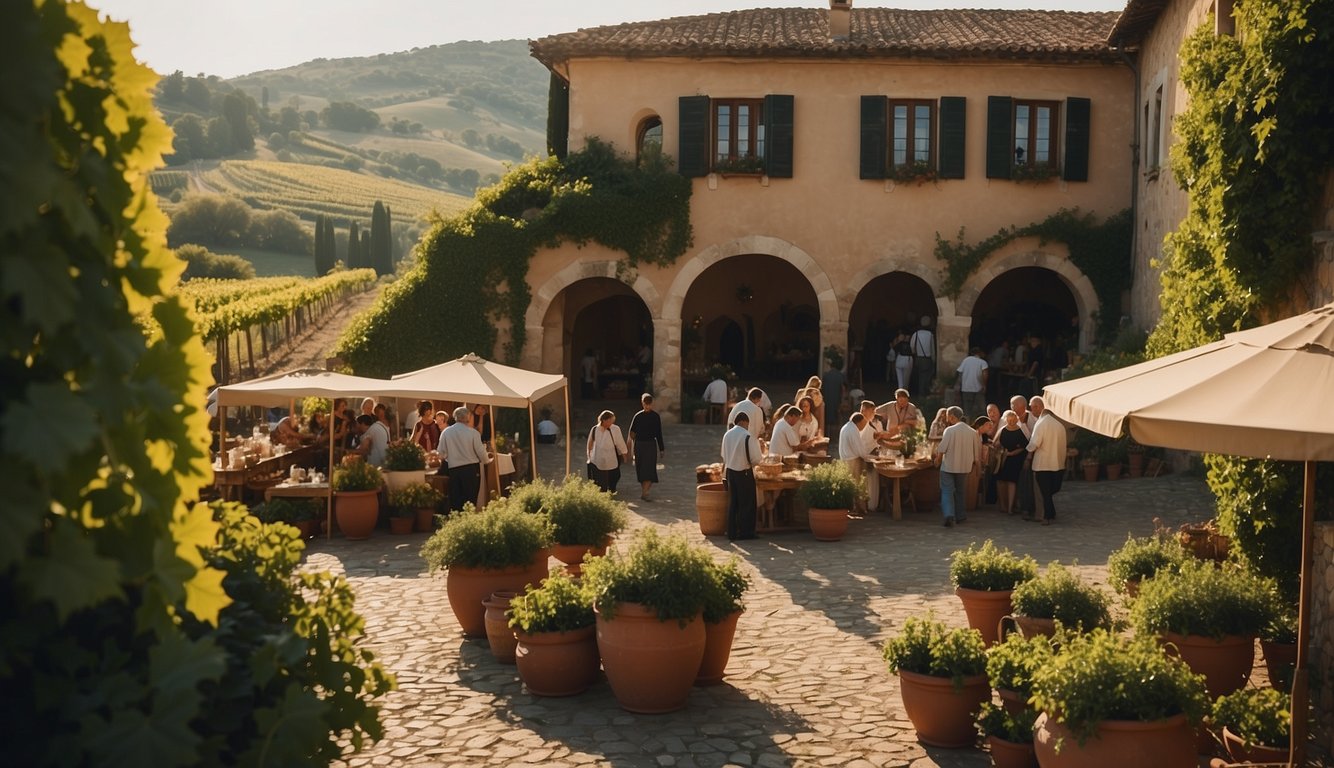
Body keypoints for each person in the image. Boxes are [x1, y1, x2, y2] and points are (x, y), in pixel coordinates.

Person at [437, 406, 489, 512]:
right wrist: (487, 461)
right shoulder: (473, 433)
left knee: (456, 501)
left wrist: (450, 457)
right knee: (470, 500)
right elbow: (480, 451)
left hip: (453, 469)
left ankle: (457, 524)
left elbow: (441, 453)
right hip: (471, 469)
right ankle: (468, 523)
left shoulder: (446, 432)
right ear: (468, 418)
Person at [934, 406, 978, 527]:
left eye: (948, 416)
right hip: (964, 467)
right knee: (960, 491)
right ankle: (961, 515)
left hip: (949, 465)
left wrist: (938, 460)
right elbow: (976, 452)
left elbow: (942, 448)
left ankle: (949, 514)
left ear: (952, 416)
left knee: (947, 490)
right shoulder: (972, 432)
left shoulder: (949, 430)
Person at [1025, 396, 1067, 525]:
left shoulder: (1041, 423)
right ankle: (1051, 513)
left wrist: (1027, 453)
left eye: (1032, 408)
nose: (1031, 411)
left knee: (1045, 492)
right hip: (1058, 464)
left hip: (1042, 464)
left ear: (1038, 407)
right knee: (1050, 491)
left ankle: (1047, 517)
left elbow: (1034, 443)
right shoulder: (1059, 425)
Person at [720, 411, 759, 540]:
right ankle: (746, 532)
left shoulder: (727, 434)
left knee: (733, 503)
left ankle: (731, 531)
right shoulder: (747, 436)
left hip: (730, 471)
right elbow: (756, 459)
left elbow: (724, 455)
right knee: (747, 503)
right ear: (745, 422)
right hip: (744, 472)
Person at [627, 394, 664, 501]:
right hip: (639, 445)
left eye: (649, 404)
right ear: (642, 403)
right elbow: (632, 433)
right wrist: (631, 447)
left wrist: (661, 448)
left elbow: (659, 433)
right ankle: (644, 491)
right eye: (645, 404)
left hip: (651, 444)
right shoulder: (638, 416)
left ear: (652, 404)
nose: (647, 407)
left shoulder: (655, 417)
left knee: (649, 469)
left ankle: (645, 492)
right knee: (641, 469)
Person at [838, 412, 875, 515]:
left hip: (845, 459)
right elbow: (860, 450)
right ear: (858, 422)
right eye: (863, 424)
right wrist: (871, 458)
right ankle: (859, 509)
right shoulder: (853, 430)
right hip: (853, 461)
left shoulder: (846, 427)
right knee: (857, 485)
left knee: (850, 484)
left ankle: (854, 508)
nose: (863, 426)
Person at [995, 409, 1030, 514]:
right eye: (1009, 420)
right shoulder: (1002, 430)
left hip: (1014, 460)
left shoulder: (1020, 431)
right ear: (1006, 420)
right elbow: (995, 443)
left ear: (1016, 420)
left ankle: (1010, 507)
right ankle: (1003, 505)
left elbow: (1024, 446)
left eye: (1013, 420)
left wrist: (1012, 453)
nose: (1011, 422)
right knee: (1000, 482)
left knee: (1012, 482)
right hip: (1002, 459)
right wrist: (1001, 450)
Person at [585, 409, 627, 494]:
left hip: (612, 455)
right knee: (600, 476)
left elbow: (620, 442)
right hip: (598, 456)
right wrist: (589, 455)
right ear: (604, 420)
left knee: (615, 474)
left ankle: (612, 488)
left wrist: (624, 454)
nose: (611, 423)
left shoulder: (615, 429)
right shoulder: (594, 429)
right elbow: (590, 443)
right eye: (610, 421)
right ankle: (603, 492)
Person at [957, 347, 989, 420]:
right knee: (981, 410)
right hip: (978, 389)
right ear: (979, 353)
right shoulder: (983, 362)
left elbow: (960, 373)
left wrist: (959, 385)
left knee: (967, 410)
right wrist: (984, 385)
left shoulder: (966, 360)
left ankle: (967, 425)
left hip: (966, 388)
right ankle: (981, 425)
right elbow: (985, 375)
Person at [820, 366, 846, 451]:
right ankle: (834, 441)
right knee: (836, 421)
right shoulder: (840, 376)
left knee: (827, 421)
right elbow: (843, 389)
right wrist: (842, 401)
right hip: (836, 401)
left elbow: (822, 389)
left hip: (827, 400)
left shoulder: (826, 375)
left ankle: (828, 439)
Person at [910, 316, 935, 396]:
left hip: (918, 358)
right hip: (927, 358)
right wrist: (933, 359)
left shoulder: (916, 334)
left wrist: (915, 353)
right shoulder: (930, 334)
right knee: (926, 377)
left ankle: (920, 393)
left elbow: (912, 346)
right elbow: (932, 348)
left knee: (919, 376)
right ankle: (923, 394)